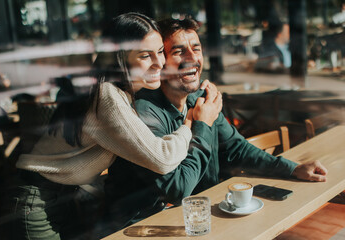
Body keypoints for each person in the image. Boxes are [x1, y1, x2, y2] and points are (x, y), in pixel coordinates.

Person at [103, 16, 327, 234]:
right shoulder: (144, 112)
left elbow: (237, 148)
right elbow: (177, 190)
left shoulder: (199, 98)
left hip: (196, 218)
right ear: (161, 62)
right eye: (179, 51)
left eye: (196, 48)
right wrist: (202, 123)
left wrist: (293, 168)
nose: (192, 58)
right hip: (143, 227)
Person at [12, 13, 222, 240]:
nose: (159, 63)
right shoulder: (107, 96)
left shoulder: (118, 91)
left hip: (63, 198)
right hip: (38, 202)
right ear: (121, 58)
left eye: (161, 51)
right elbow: (162, 159)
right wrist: (193, 121)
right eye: (145, 55)